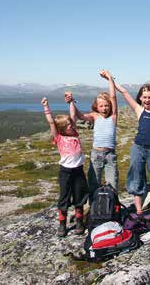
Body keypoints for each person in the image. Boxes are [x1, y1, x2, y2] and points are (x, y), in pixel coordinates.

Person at [114, 82, 150, 220]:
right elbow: (124, 92)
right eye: (144, 97)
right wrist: (111, 79)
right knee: (137, 177)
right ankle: (139, 211)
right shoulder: (139, 110)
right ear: (140, 98)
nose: (147, 100)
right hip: (138, 148)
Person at [65, 70, 118, 202]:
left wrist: (110, 79)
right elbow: (80, 116)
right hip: (97, 154)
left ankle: (112, 208)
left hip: (110, 155)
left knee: (113, 183)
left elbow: (113, 96)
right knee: (93, 183)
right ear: (97, 106)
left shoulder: (113, 116)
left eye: (106, 105)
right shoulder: (95, 116)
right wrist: (71, 102)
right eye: (101, 106)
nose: (104, 108)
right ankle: (94, 208)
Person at [41, 96, 88, 237]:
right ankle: (62, 225)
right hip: (65, 172)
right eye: (68, 125)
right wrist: (46, 107)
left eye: (71, 124)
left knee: (79, 196)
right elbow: (51, 122)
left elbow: (72, 115)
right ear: (61, 129)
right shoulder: (59, 138)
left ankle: (79, 222)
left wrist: (71, 102)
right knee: (64, 197)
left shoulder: (75, 134)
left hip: (78, 171)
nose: (71, 126)